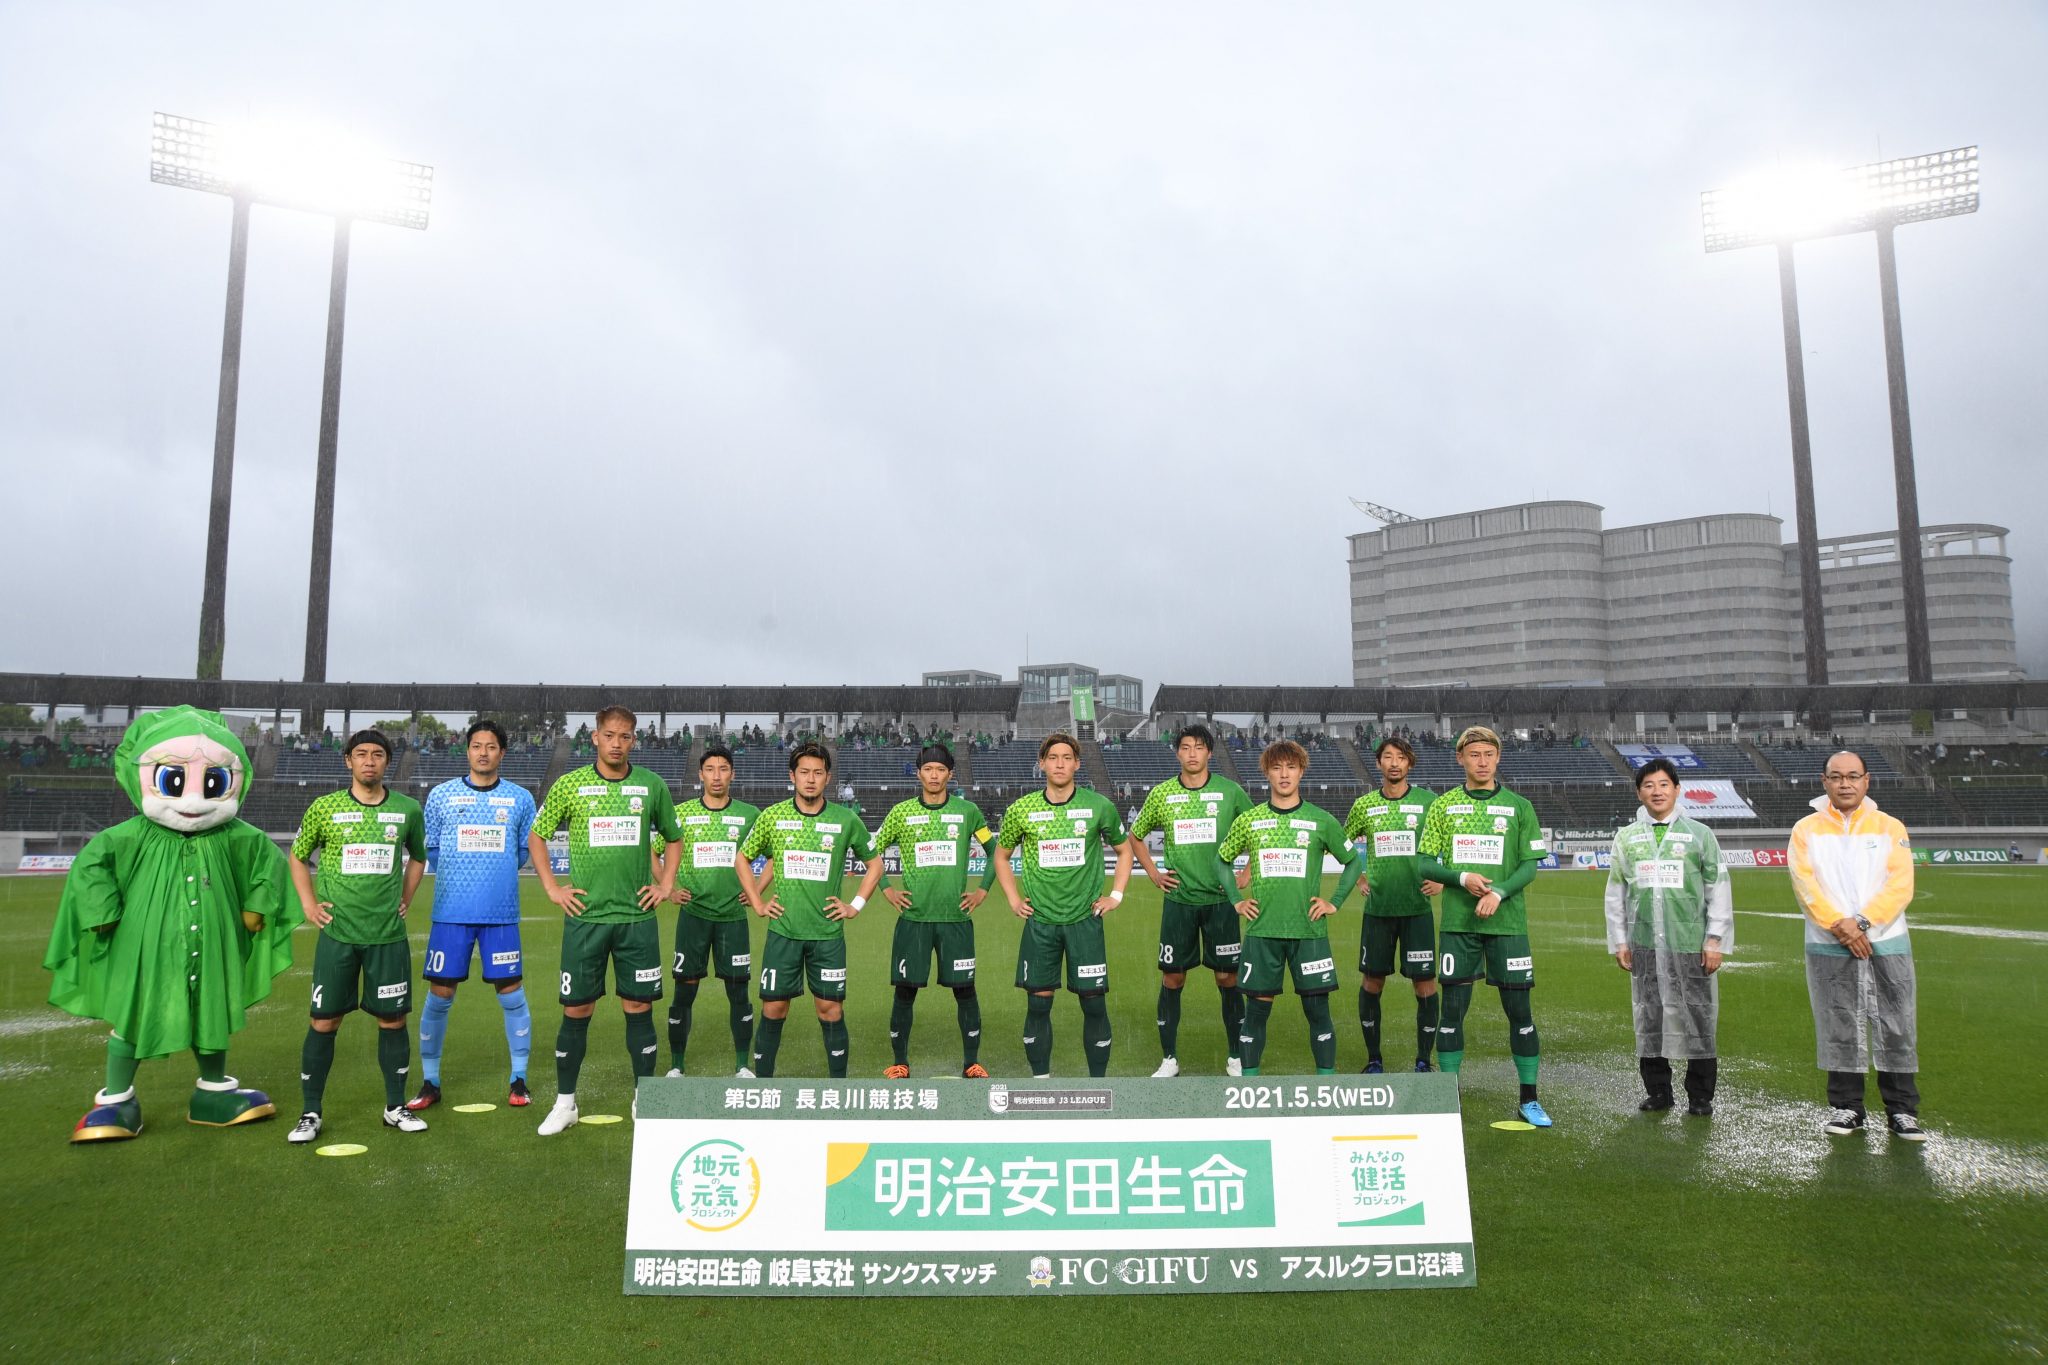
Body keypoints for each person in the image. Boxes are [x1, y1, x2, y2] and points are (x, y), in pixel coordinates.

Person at [45, 706, 297, 1142]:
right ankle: (117, 1100)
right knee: (136, 1009)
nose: (194, 799)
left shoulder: (237, 835)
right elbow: (91, 867)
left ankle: (212, 1094)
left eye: (212, 781)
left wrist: (257, 904)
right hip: (145, 943)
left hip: (213, 941)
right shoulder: (130, 835)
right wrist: (102, 910)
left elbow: (269, 864)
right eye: (174, 780)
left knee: (211, 1008)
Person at [527, 706, 682, 1136]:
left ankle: (643, 1098)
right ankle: (565, 1104)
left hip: (636, 918)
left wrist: (666, 884)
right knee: (577, 1008)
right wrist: (552, 888)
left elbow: (674, 837)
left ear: (634, 740)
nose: (617, 743)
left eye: (625, 736)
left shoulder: (650, 785)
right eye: (610, 735)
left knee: (639, 1007)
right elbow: (537, 836)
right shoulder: (570, 785)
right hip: (587, 918)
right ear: (595, 737)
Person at [286, 729, 429, 1143]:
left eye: (378, 754)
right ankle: (310, 1113)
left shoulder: (407, 809)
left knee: (393, 1019)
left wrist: (405, 898)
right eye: (361, 754)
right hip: (339, 935)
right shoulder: (325, 807)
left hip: (386, 936)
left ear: (387, 762)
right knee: (324, 1020)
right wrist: (309, 904)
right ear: (348, 760)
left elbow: (419, 857)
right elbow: (297, 856)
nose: (370, 761)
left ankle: (395, 1106)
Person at [1415, 726, 1553, 1128]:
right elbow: (1424, 863)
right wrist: (1461, 878)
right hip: (1459, 925)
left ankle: (1529, 1099)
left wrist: (1500, 892)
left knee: (1520, 1011)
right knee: (1452, 1011)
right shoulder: (1443, 806)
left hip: (1507, 925)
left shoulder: (1518, 807)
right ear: (1461, 759)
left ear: (1498, 758)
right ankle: (1449, 1097)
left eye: (1488, 754)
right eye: (1474, 754)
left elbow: (1529, 866)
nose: (1482, 761)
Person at [1789, 752, 1925, 1142]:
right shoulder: (1806, 830)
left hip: (1886, 939)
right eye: (1836, 777)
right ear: (1824, 781)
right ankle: (1847, 1107)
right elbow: (1805, 884)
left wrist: (1862, 922)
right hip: (1829, 942)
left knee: (1896, 1022)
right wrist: (1840, 926)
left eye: (1852, 776)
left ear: (1867, 780)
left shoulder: (1889, 826)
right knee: (1839, 1021)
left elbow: (1901, 884)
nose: (1844, 784)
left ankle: (1902, 1110)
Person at [408, 720, 539, 1112]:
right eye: (477, 746)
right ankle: (430, 1082)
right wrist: (462, 878)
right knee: (440, 993)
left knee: (511, 992)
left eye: (492, 746)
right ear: (467, 750)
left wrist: (490, 878)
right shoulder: (442, 796)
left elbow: (522, 852)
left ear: (502, 752)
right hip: (451, 913)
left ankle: (519, 1079)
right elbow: (432, 849)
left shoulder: (520, 799)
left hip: (501, 913)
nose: (484, 753)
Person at [847, 743, 999, 1079]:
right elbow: (870, 852)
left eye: (940, 770)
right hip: (913, 921)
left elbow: (995, 852)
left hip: (955, 920)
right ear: (918, 773)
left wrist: (982, 890)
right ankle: (900, 1062)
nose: (934, 775)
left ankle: (971, 1063)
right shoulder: (901, 813)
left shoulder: (968, 812)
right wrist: (886, 889)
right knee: (905, 992)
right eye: (928, 769)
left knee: (966, 991)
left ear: (950, 774)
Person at [1215, 741, 1362, 1076]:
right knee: (1256, 1013)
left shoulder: (1321, 820)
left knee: (1318, 1011)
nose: (1284, 774)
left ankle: (1325, 1086)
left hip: (1308, 932)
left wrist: (1335, 901)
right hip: (1262, 932)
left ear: (1301, 771)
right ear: (1267, 773)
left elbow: (1353, 862)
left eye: (1291, 767)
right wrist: (1236, 900)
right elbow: (1221, 861)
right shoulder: (1250, 820)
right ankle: (1249, 1089)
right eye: (1277, 767)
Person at [993, 732, 1133, 1079]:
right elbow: (1001, 855)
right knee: (1038, 1004)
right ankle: (1041, 1081)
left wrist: (1115, 896)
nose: (1059, 764)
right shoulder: (1022, 809)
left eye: (1067, 758)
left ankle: (1098, 1085)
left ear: (1077, 764)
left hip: (1085, 921)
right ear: (1041, 764)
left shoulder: (1098, 806)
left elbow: (1125, 850)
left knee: (1094, 1004)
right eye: (1053, 758)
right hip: (1041, 923)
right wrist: (1013, 899)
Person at [735, 741, 876, 1078]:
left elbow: (875, 864)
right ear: (792, 776)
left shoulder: (846, 819)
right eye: (804, 772)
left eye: (818, 773)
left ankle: (838, 1088)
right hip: (783, 933)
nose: (810, 779)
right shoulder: (773, 816)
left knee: (830, 1009)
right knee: (774, 1007)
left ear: (828, 778)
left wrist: (854, 905)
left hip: (827, 936)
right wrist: (757, 902)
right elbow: (741, 858)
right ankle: (764, 1086)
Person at [1604, 758, 1731, 1117]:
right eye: (1648, 785)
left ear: (1677, 789)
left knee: (1698, 1015)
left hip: (1690, 942)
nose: (1656, 792)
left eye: (1663, 784)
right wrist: (1620, 941)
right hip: (1644, 943)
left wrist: (1715, 939)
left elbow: (1718, 888)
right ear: (1638, 793)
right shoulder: (1627, 837)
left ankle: (1700, 1095)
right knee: (1650, 1015)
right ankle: (1658, 1090)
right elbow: (1616, 893)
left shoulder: (1699, 835)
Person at [1126, 723, 1251, 1078]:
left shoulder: (1230, 792)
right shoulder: (1162, 794)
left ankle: (1236, 1056)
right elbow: (1135, 836)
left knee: (1227, 978)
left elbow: (1259, 828)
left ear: (1209, 752)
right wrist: (1153, 873)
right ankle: (1169, 1059)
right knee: (1173, 978)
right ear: (1177, 752)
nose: (1192, 753)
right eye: (1185, 747)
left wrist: (1247, 873)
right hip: (1179, 901)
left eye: (1198, 747)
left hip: (1221, 901)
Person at [653, 743, 762, 1078]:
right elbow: (651, 850)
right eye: (710, 770)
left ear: (733, 774)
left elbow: (775, 853)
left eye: (723, 769)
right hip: (693, 917)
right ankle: (676, 1065)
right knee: (684, 991)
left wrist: (756, 890)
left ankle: (743, 1066)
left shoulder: (749, 815)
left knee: (738, 993)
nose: (717, 776)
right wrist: (668, 889)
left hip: (733, 918)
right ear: (700, 774)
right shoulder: (682, 814)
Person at [1343, 737, 1441, 1074]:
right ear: (1379, 763)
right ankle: (1374, 1059)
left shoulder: (1429, 802)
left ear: (1410, 763)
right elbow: (1342, 845)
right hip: (1378, 912)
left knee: (1425, 985)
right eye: (1388, 757)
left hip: (1417, 911)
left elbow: (1451, 841)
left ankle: (1423, 1061)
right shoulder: (1365, 805)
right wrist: (1358, 877)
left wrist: (1443, 879)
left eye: (1401, 757)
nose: (1394, 763)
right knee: (1372, 984)